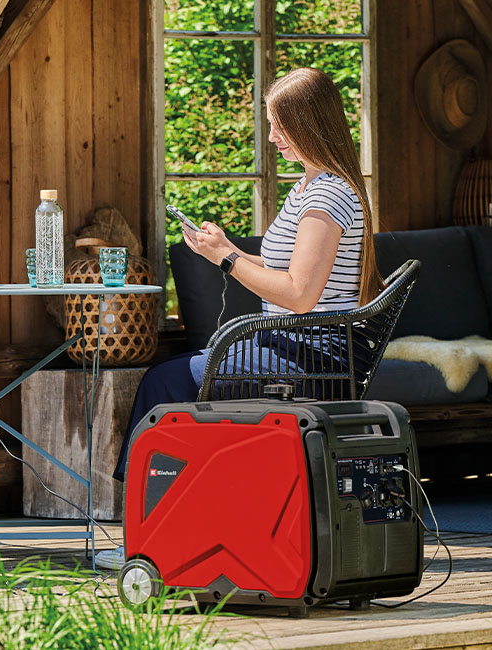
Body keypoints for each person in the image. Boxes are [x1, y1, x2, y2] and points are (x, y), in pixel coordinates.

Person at [95, 67, 380, 570]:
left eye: (279, 125)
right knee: (171, 381)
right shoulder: (310, 187)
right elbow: (288, 276)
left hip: (310, 354)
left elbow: (299, 296)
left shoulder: (328, 194)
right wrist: (225, 249)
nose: (271, 137)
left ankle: (143, 540)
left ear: (309, 124)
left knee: (165, 385)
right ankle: (172, 529)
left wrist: (226, 261)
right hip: (296, 346)